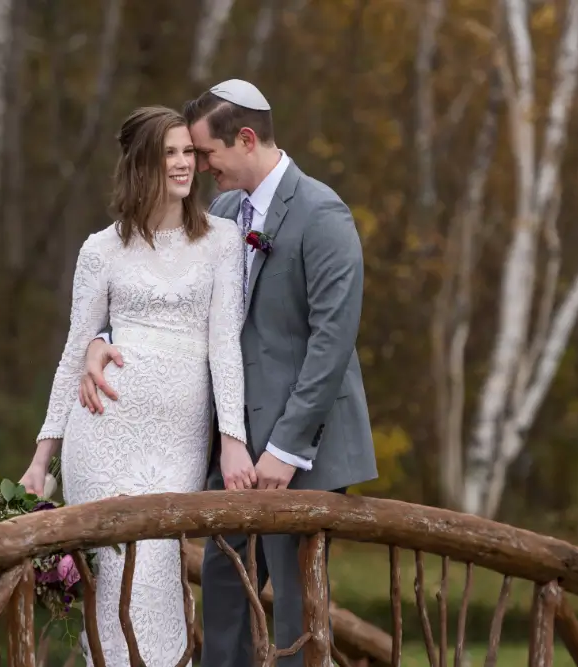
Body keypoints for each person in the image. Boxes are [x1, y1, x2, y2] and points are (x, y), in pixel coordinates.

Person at [77, 80, 378, 667]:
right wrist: (101, 338)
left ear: (244, 139)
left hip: (305, 453)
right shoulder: (220, 214)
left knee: (295, 612)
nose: (198, 166)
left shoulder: (322, 213)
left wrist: (286, 451)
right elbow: (176, 307)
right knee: (223, 594)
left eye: (206, 153)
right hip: (234, 452)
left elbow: (332, 344)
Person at [21, 105, 250, 667]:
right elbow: (76, 351)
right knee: (109, 573)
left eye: (187, 152)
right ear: (140, 162)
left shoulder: (223, 239)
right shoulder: (101, 249)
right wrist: (40, 458)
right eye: (169, 152)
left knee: (155, 569)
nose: (182, 164)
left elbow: (225, 344)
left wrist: (233, 436)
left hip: (177, 439)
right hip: (103, 434)